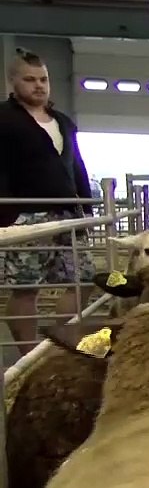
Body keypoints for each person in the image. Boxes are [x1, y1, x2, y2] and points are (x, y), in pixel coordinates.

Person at [0, 48, 96, 355]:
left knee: (84, 278)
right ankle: (28, 355)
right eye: (30, 80)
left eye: (43, 79)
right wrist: (7, 216)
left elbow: (76, 166)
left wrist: (86, 208)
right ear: (13, 82)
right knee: (25, 287)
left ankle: (58, 344)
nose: (38, 85)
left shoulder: (63, 121)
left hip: (68, 215)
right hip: (25, 217)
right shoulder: (4, 119)